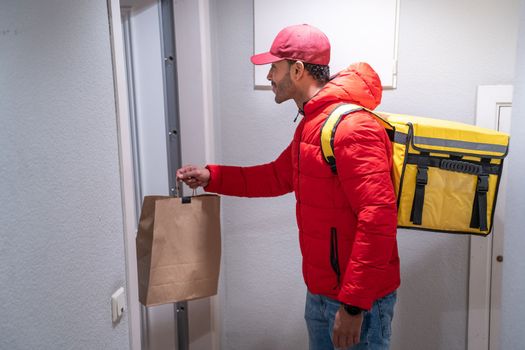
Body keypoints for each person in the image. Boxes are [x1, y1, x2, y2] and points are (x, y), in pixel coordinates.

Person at [177, 24, 400, 350]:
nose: (269, 76)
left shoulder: (353, 127)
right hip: (322, 294)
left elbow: (378, 218)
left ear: (297, 70)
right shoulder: (312, 125)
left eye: (274, 67)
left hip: (358, 302)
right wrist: (213, 176)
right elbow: (276, 177)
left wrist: (353, 306)